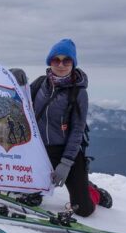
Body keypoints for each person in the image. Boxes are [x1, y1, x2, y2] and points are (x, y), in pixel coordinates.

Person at [29, 38, 112, 217]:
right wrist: (14, 76)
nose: (60, 65)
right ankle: (35, 190)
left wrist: (66, 163)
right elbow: (18, 100)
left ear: (73, 63)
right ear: (49, 62)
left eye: (66, 60)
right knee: (29, 198)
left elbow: (77, 130)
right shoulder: (40, 84)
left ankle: (93, 192)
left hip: (67, 152)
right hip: (39, 151)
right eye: (55, 60)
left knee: (83, 209)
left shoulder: (78, 92)